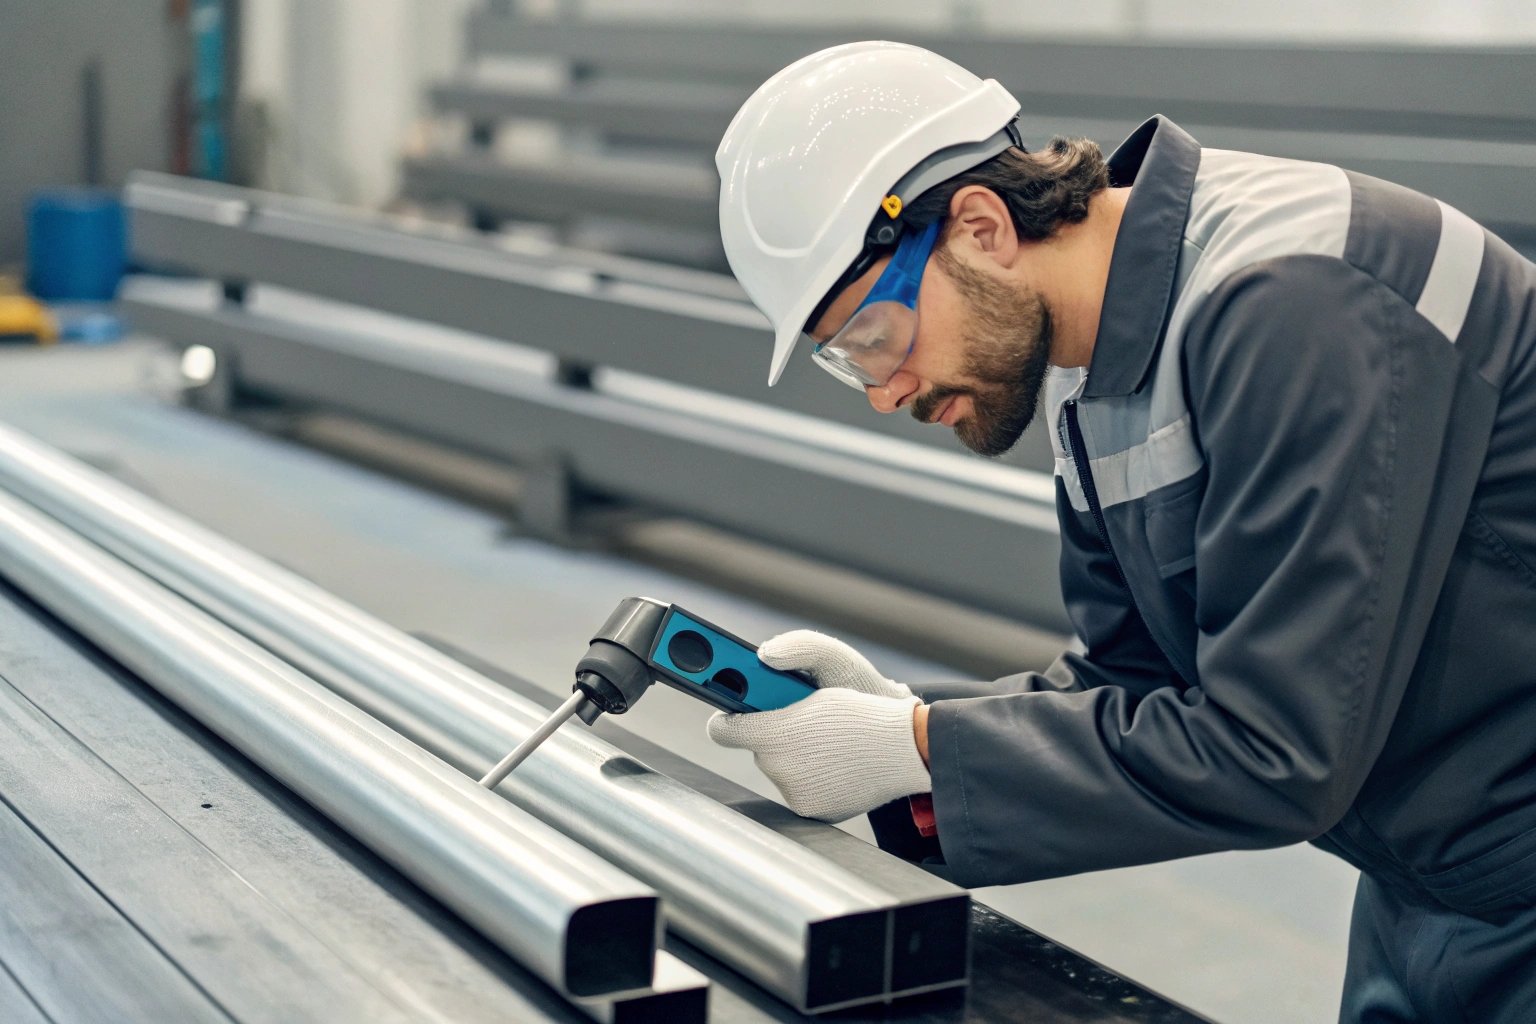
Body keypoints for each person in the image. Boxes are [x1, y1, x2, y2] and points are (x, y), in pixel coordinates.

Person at [706, 40, 1536, 1022]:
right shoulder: (1094, 370)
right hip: (1433, 878)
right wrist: (906, 725)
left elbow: (1275, 748)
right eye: (847, 365)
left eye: (873, 339)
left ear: (979, 227)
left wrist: (924, 746)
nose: (884, 390)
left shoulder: (1293, 299)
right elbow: (1140, 681)